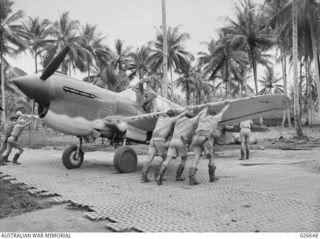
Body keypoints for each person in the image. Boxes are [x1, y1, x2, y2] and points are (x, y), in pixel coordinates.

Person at [156, 108, 205, 185]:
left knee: (167, 159)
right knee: (184, 159)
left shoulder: (178, 120)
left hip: (172, 141)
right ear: (190, 115)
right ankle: (178, 176)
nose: (192, 112)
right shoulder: (191, 121)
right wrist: (206, 108)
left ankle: (159, 177)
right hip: (181, 141)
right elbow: (200, 115)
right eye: (191, 111)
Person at [189, 102, 230, 186]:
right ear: (214, 114)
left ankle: (192, 179)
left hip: (196, 138)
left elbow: (203, 111)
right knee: (211, 157)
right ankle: (212, 177)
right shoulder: (214, 118)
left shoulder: (202, 117)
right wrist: (228, 104)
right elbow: (223, 111)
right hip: (205, 139)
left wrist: (206, 106)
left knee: (196, 157)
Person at [141, 109, 186, 183]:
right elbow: (181, 116)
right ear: (172, 116)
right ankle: (157, 176)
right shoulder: (170, 120)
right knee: (165, 158)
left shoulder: (159, 119)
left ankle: (143, 177)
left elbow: (157, 112)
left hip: (152, 140)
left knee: (150, 157)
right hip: (160, 140)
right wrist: (187, 110)